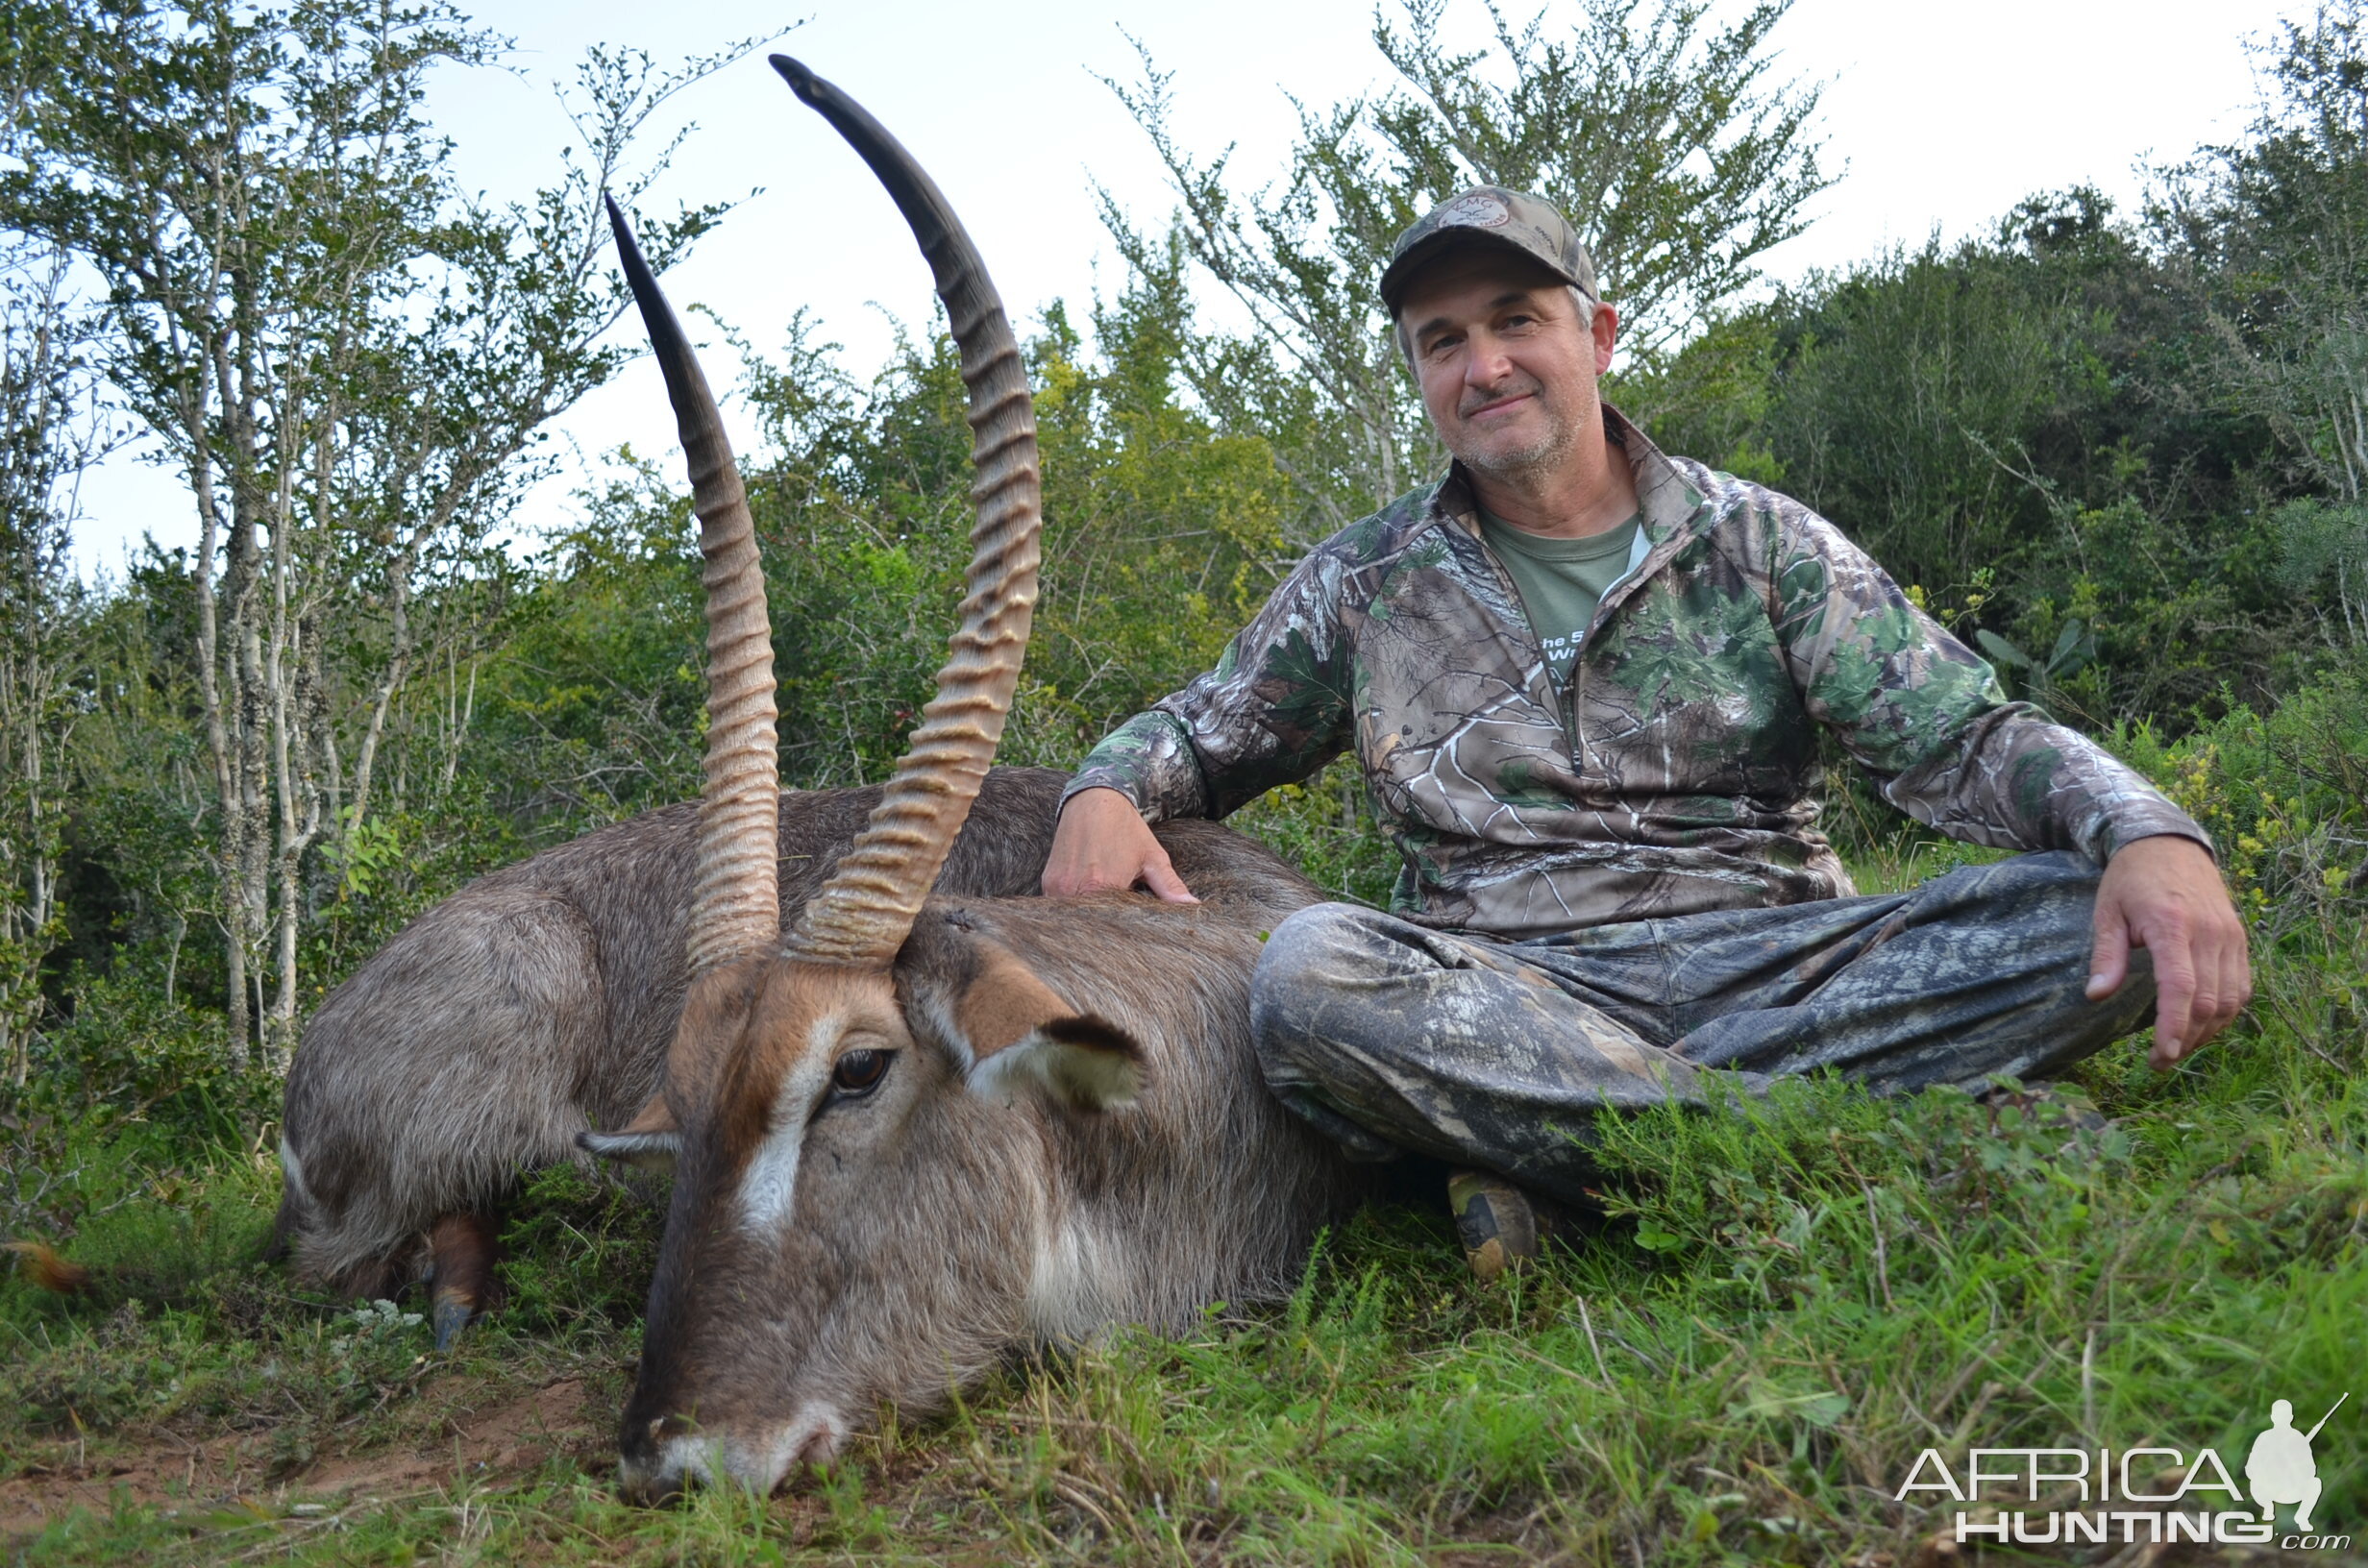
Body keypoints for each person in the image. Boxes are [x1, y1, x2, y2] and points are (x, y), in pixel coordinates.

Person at [1043, 185, 2252, 1276]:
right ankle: (1855, 1144)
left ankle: (1564, 1160)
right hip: (1505, 992)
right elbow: (1200, 735)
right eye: (1443, 341)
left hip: (1785, 965)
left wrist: (2147, 829)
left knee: (2094, 917)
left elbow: (1962, 738)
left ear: (1597, 336)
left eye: (1516, 319)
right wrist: (1103, 788)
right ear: (1420, 375)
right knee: (1308, 982)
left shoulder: (1762, 543)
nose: (1485, 365)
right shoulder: (1365, 581)